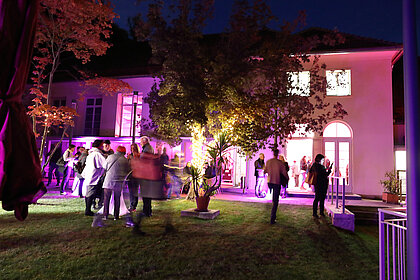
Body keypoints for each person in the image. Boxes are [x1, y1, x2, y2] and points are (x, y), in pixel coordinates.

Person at [102, 146, 130, 220]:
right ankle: (116, 216)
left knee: (106, 199)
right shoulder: (125, 160)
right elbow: (128, 171)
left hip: (109, 180)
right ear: (123, 152)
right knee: (117, 199)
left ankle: (105, 215)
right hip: (119, 181)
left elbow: (104, 167)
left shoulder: (110, 157)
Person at [81, 140, 106, 216]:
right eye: (102, 145)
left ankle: (88, 209)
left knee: (89, 192)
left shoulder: (91, 154)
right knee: (91, 193)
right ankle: (88, 210)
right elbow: (105, 164)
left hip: (90, 175)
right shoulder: (97, 154)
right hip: (94, 176)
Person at [264, 149, 289, 225]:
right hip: (276, 182)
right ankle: (272, 217)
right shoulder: (280, 163)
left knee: (273, 199)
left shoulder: (268, 162)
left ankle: (272, 215)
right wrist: (287, 178)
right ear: (277, 154)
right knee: (275, 201)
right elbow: (284, 173)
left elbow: (265, 171)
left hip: (270, 181)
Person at [310, 153, 333, 218]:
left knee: (317, 198)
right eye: (322, 159)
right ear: (319, 159)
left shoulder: (314, 165)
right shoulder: (320, 166)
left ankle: (315, 213)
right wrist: (329, 170)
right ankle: (321, 212)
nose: (323, 161)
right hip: (322, 184)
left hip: (317, 184)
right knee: (321, 198)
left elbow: (311, 171)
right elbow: (325, 174)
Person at [127, 143, 141, 212]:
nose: (132, 150)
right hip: (130, 175)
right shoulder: (130, 156)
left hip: (136, 175)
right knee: (131, 191)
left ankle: (133, 206)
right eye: (131, 148)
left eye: (134, 148)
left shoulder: (139, 156)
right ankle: (131, 205)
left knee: (135, 191)